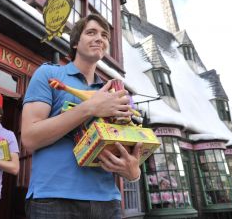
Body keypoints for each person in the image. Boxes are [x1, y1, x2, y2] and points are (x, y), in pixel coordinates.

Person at [22, 13, 143, 219]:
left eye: (104, 35)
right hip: (54, 200)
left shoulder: (113, 92)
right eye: (91, 32)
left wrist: (133, 173)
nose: (100, 38)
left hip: (108, 201)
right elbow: (29, 138)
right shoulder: (49, 75)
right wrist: (90, 108)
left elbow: (126, 146)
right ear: (76, 43)